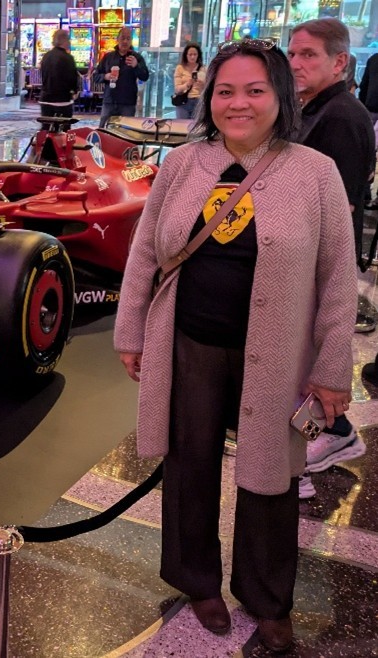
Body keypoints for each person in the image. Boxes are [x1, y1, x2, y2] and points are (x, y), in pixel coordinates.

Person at [114, 39, 355, 653]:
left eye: (255, 90)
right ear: (209, 98)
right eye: (225, 91)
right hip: (190, 344)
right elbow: (145, 254)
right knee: (189, 465)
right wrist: (131, 331)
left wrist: (332, 368)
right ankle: (196, 580)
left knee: (270, 476)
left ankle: (267, 597)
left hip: (277, 355)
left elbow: (337, 278)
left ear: (280, 96)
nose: (238, 103)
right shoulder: (182, 164)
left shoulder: (314, 172)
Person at [288, 18, 374, 497]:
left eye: (308, 55)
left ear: (339, 62)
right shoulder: (316, 109)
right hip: (304, 258)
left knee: (307, 363)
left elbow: (339, 210)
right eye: (293, 54)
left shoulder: (341, 117)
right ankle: (329, 434)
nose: (296, 64)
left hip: (317, 263)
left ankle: (321, 441)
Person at [93, 27, 150, 128]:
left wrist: (136, 66)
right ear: (117, 39)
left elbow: (145, 76)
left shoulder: (137, 57)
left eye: (128, 38)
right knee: (103, 130)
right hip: (109, 101)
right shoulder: (108, 57)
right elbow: (95, 76)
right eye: (123, 38)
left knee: (125, 132)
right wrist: (105, 76)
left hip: (127, 103)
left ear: (131, 41)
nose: (125, 41)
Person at [38, 29, 80, 119]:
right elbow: (72, 78)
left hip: (45, 98)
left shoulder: (46, 56)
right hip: (62, 99)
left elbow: (43, 74)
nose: (69, 42)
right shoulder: (68, 58)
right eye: (68, 40)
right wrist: (75, 91)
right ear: (64, 41)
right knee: (63, 125)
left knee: (47, 125)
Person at [172, 42, 205, 119]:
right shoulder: (180, 68)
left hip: (198, 102)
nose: (192, 57)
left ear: (198, 55)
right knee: (182, 125)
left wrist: (202, 85)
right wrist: (187, 84)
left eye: (195, 54)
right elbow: (177, 89)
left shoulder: (203, 69)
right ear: (186, 55)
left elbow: (208, 88)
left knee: (197, 125)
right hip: (183, 101)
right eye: (190, 54)